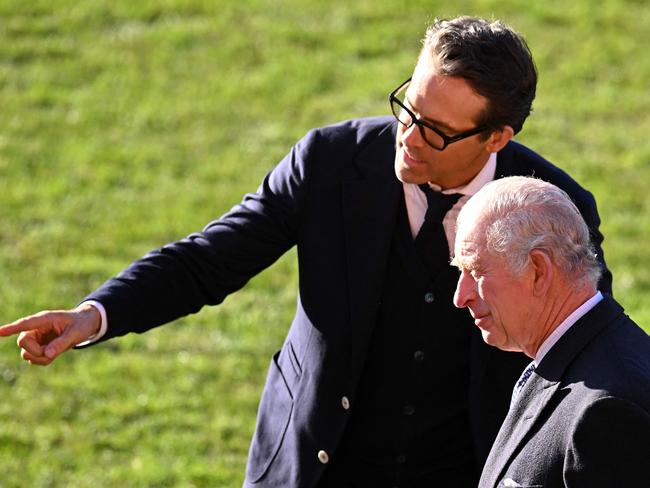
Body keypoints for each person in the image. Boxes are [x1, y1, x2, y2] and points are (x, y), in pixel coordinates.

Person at [0, 17, 612, 488]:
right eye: (407, 108)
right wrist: (93, 316)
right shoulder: (328, 162)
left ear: (497, 136)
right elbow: (208, 259)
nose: (407, 140)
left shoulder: (555, 211)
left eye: (437, 132)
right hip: (311, 467)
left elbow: (586, 344)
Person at [452, 176, 650, 488]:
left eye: (476, 271)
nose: (460, 297)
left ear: (538, 271)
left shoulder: (607, 410)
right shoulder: (571, 359)